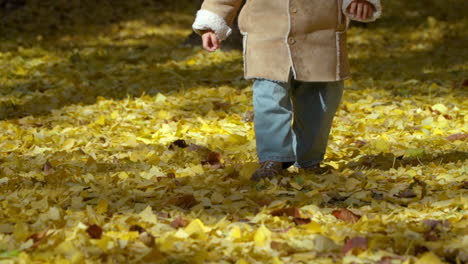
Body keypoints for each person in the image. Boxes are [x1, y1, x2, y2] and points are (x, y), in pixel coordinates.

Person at [192, 0, 382, 181]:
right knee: (269, 98)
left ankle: (310, 160)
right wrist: (212, 24)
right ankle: (272, 158)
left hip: (321, 36)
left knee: (320, 103)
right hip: (266, 35)